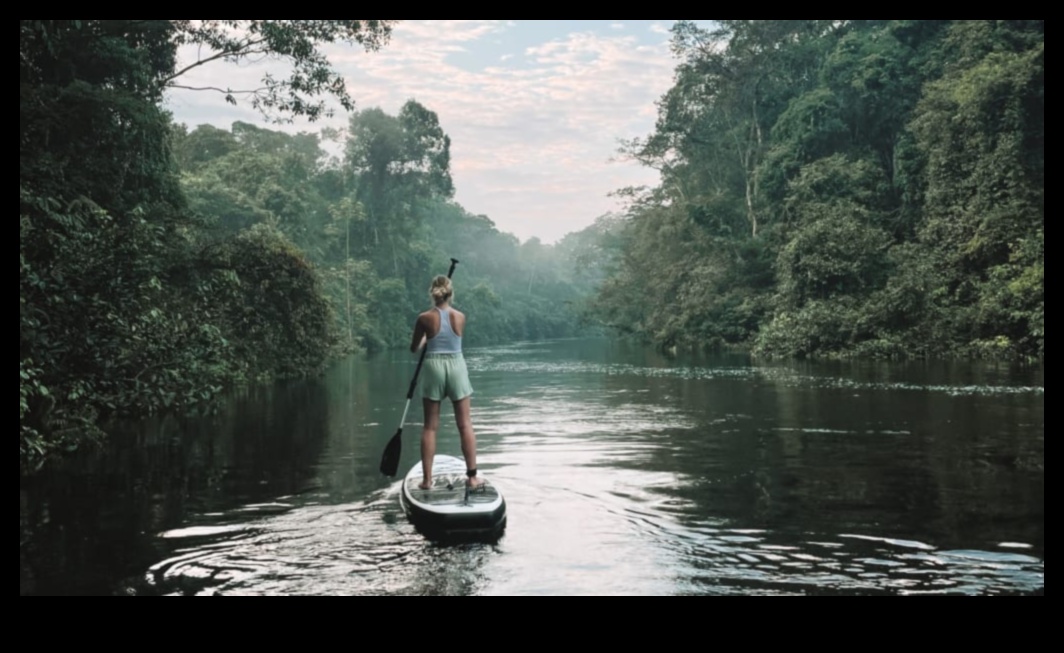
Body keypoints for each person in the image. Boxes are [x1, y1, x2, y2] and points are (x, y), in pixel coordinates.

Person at [410, 275, 483, 491]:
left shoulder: (423, 318)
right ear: (450, 293)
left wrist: (425, 339)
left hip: (433, 366)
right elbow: (451, 338)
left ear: (432, 292)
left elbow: (415, 348)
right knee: (465, 424)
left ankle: (426, 481)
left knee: (430, 427)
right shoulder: (460, 316)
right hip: (456, 366)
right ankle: (472, 478)